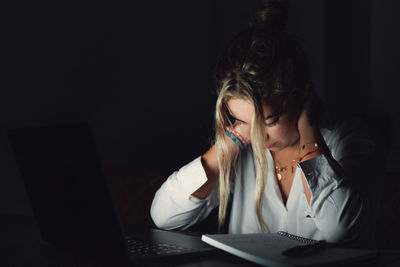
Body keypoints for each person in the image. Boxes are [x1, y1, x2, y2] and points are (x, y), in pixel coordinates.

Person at [150, 0, 367, 244]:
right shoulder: (243, 149)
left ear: (305, 95)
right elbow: (164, 216)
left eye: (270, 121)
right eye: (242, 120)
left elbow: (340, 228)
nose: (257, 136)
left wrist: (309, 131)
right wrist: (230, 142)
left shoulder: (349, 140)